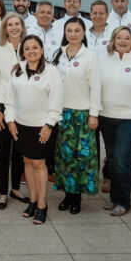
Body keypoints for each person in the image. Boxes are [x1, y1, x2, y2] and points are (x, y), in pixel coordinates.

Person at [93, 27, 131, 216]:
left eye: (127, 38)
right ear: (113, 40)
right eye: (119, 37)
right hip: (106, 116)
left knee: (122, 159)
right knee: (111, 159)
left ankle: (123, 202)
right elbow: (95, 86)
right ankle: (114, 198)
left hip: (130, 119)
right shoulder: (102, 60)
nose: (122, 41)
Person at [3, 35, 62, 225]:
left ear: (42, 50)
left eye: (35, 47)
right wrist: (10, 121)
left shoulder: (52, 72)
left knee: (39, 163)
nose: (31, 51)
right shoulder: (16, 70)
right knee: (27, 162)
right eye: (27, 48)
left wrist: (49, 124)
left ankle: (43, 205)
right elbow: (9, 99)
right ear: (23, 52)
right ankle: (33, 200)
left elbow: (56, 101)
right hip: (21, 125)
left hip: (42, 126)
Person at [51, 17, 99, 214]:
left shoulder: (90, 56)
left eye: (77, 30)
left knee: (81, 158)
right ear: (65, 33)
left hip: (82, 113)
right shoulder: (58, 54)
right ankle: (67, 194)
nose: (73, 34)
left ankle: (77, 197)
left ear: (83, 33)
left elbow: (96, 86)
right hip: (62, 113)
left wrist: (93, 114)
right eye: (69, 30)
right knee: (64, 157)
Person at [0, 12, 28, 208]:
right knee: (3, 152)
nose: (13, 27)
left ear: (22, 26)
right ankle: (3, 192)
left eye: (17, 24)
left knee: (19, 150)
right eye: (9, 25)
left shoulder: (29, 47)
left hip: (24, 106)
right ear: (5, 29)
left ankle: (15, 189)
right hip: (3, 107)